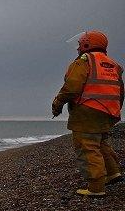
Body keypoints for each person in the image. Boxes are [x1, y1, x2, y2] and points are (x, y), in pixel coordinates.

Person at [52, 30, 123, 196]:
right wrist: (114, 110)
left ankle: (96, 187)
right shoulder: (113, 64)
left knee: (87, 146)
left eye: (79, 45)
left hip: (87, 111)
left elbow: (72, 87)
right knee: (101, 143)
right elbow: (121, 91)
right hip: (108, 111)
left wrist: (57, 103)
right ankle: (113, 173)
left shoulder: (84, 61)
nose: (78, 48)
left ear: (86, 45)